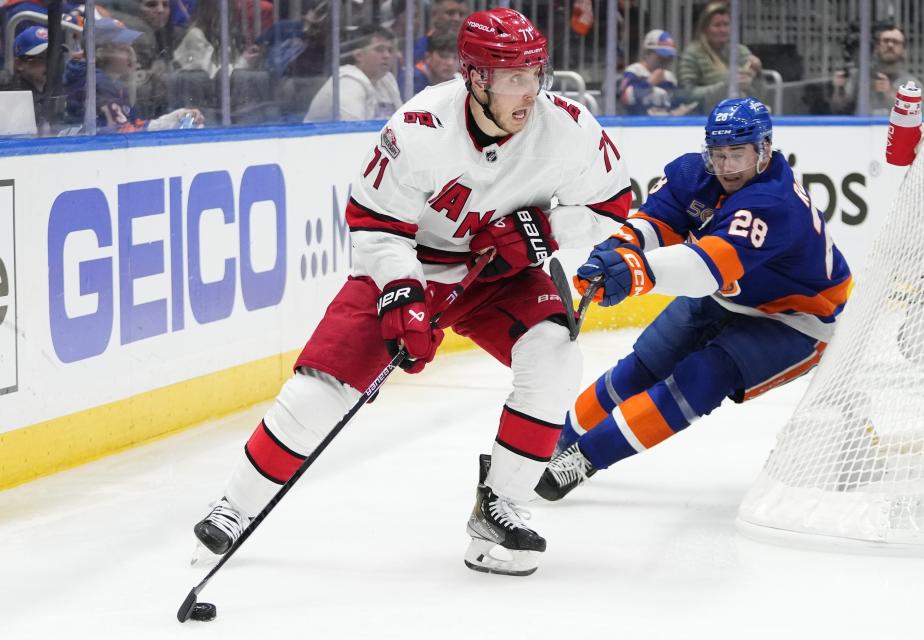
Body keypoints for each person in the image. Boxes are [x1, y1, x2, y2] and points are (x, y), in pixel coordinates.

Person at [192, 7, 631, 577]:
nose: (531, 92)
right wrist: (403, 292)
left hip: (500, 274)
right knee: (321, 389)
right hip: (413, 264)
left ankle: (501, 510)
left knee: (554, 356)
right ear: (476, 78)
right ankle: (235, 507)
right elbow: (374, 225)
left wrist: (544, 232)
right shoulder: (420, 127)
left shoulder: (568, 127)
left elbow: (614, 206)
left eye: (535, 74)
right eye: (515, 77)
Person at [534, 97, 852, 501]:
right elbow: (657, 222)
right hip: (728, 297)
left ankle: (584, 459)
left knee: (704, 375)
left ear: (765, 150)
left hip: (795, 318)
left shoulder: (773, 203)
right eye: (718, 155)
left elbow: (705, 269)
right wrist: (618, 247)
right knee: (640, 368)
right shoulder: (693, 172)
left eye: (737, 154)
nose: (725, 167)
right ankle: (546, 446)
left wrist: (636, 272)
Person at [64, 18, 204, 132]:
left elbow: (132, 125)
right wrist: (169, 123)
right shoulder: (96, 83)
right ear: (101, 54)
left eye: (130, 46)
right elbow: (123, 132)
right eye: (122, 48)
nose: (132, 53)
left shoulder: (113, 84)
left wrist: (174, 118)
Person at [677, 2, 766, 115]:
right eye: (717, 25)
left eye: (726, 25)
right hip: (706, 117)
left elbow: (761, 95)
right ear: (705, 28)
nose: (723, 30)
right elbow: (686, 94)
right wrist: (726, 86)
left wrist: (757, 75)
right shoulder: (692, 53)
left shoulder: (741, 51)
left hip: (742, 114)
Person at [303, 25, 401, 122]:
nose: (387, 55)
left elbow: (403, 123)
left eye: (390, 50)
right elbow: (354, 132)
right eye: (379, 50)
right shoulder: (347, 83)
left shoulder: (387, 79)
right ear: (359, 55)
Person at [829, 23, 924, 116]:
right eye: (886, 41)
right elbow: (838, 110)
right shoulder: (858, 77)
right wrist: (839, 89)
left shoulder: (912, 84)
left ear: (904, 51)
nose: (890, 45)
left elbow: (922, 117)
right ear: (876, 48)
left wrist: (889, 92)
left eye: (896, 42)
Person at [619, 29, 697, 116]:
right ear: (647, 53)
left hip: (663, 124)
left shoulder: (669, 77)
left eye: (669, 58)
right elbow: (625, 98)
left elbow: (672, 102)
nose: (665, 61)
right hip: (638, 124)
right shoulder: (634, 71)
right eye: (661, 57)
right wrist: (649, 83)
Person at [5, 26, 52, 129]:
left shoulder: (56, 90)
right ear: (19, 64)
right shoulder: (14, 100)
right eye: (41, 57)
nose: (49, 63)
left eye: (52, 56)